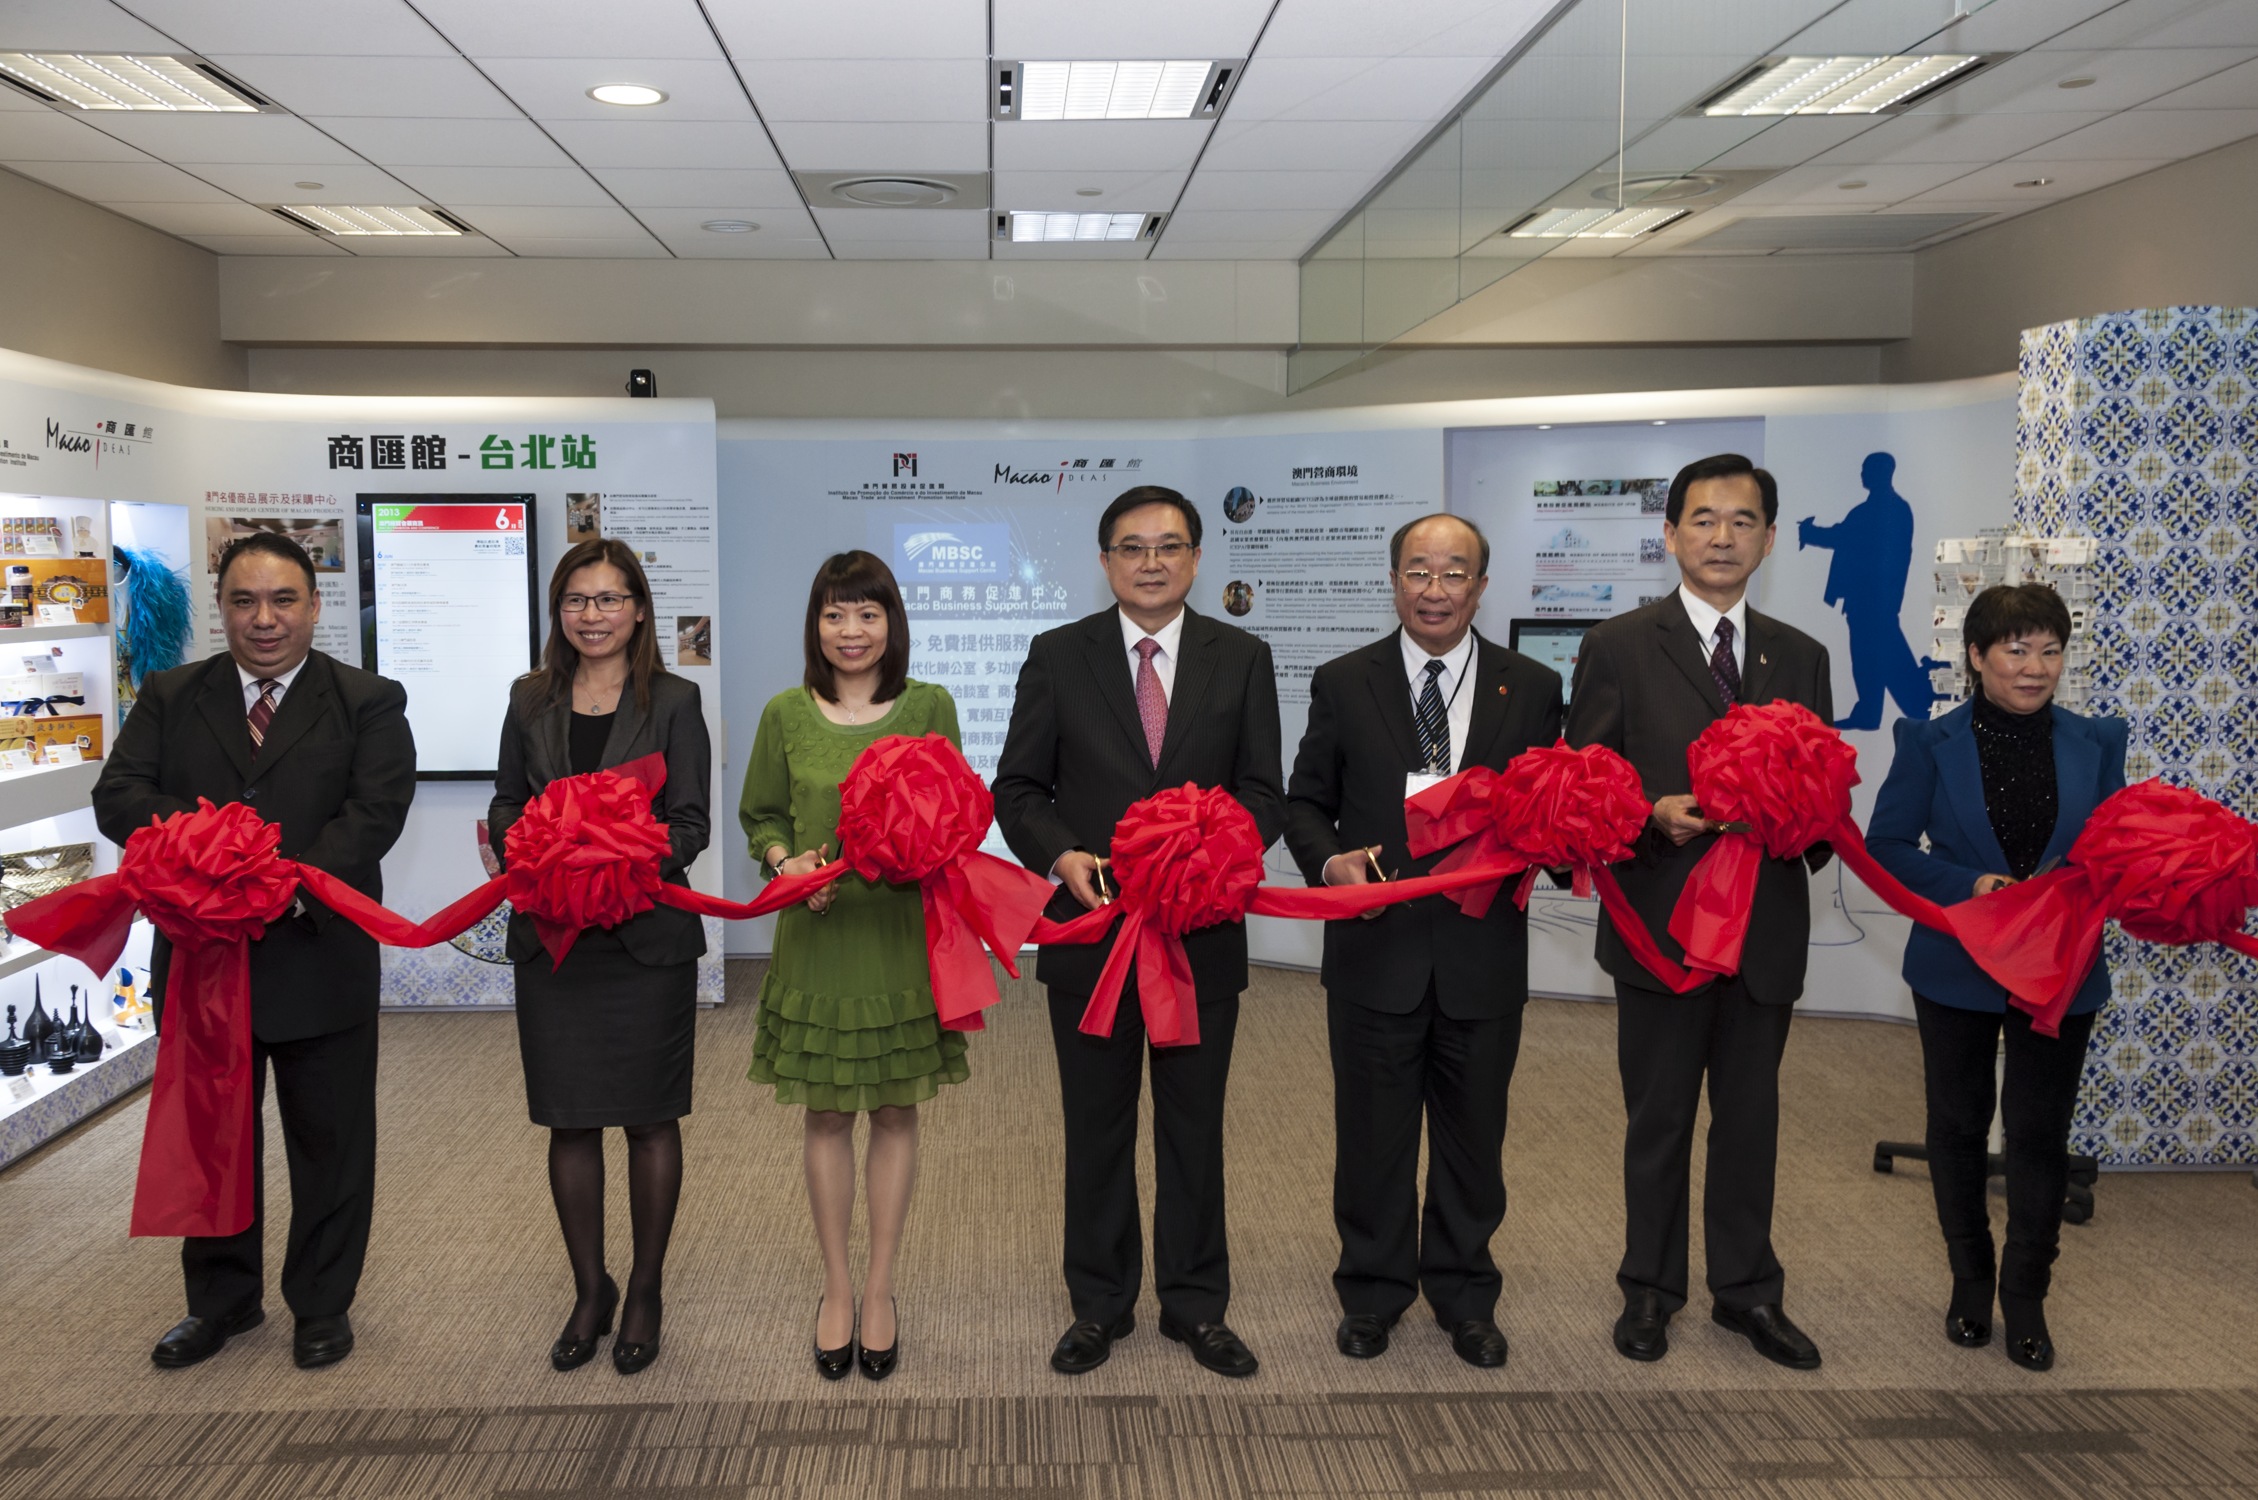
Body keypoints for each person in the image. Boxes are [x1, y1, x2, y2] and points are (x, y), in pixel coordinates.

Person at [94, 531, 415, 1371]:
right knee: (212, 1137)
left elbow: (374, 814)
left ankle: (321, 1304)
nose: (263, 619)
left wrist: (273, 881)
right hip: (204, 961)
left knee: (330, 1141)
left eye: (282, 601)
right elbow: (118, 796)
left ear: (314, 606)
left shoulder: (368, 699)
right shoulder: (171, 694)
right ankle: (220, 1302)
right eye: (244, 601)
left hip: (318, 953)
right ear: (222, 609)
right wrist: (207, 850)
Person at [994, 484, 1285, 1381]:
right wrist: (1062, 857)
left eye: (1168, 546)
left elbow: (1264, 792)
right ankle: (1099, 1305)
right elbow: (1018, 789)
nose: (1150, 562)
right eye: (1132, 547)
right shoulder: (1058, 654)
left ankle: (1197, 1306)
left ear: (1196, 558)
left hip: (1200, 936)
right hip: (1094, 935)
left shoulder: (1242, 656)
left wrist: (1210, 859)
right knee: (1097, 1127)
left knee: (1195, 1128)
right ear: (1105, 560)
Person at [1565, 453, 1834, 1372]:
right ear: (1671, 534)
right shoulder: (1617, 645)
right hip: (1661, 924)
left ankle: (1748, 1292)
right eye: (1705, 520)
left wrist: (1798, 824)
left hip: (1765, 928)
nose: (1724, 537)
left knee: (1751, 1120)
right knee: (1661, 1119)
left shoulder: (1800, 654)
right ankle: (1649, 1288)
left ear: (1770, 538)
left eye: (1744, 521)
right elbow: (1586, 785)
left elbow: (1823, 796)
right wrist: (1649, 814)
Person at [1284, 514, 1562, 1368]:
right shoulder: (1345, 680)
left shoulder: (1533, 686)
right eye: (1418, 571)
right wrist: (1329, 864)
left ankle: (1466, 1296)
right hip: (1377, 952)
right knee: (1372, 1140)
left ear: (1481, 586)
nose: (1434, 590)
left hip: (1484, 955)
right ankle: (1372, 1293)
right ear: (1394, 580)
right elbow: (1305, 802)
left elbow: (1552, 807)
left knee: (1475, 1141)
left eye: (1453, 573)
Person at [1866, 583, 2124, 1372]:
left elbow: (2115, 847)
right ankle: (1970, 1282)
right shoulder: (1927, 741)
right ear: (1975, 656)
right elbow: (1887, 846)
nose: (2034, 667)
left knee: (2040, 1133)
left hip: (2059, 964)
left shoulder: (2098, 740)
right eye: (2016, 650)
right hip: (1960, 961)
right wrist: (1970, 885)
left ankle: (2026, 1295)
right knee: (1958, 1124)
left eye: (2050, 650)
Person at [489, 539, 710, 1377]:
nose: (593, 615)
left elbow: (690, 824)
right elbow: (507, 804)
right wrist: (538, 848)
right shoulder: (529, 697)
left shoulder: (676, 700)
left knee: (650, 1119)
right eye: (577, 600)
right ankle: (592, 1289)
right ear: (558, 612)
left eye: (610, 599)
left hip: (643, 941)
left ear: (640, 610)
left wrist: (612, 858)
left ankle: (645, 1289)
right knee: (570, 1119)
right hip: (554, 941)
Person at [741, 550, 962, 1382]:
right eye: (834, 614)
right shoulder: (784, 713)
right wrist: (785, 862)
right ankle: (836, 1286)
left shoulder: (930, 707)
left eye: (867, 613)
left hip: (899, 934)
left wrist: (901, 854)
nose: (851, 630)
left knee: (897, 1113)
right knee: (828, 1115)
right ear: (816, 625)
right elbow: (762, 816)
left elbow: (952, 818)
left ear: (891, 622)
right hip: (819, 937)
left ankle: (879, 1288)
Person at [1797, 452, 1942, 729]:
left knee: (1883, 658)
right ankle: (1874, 711)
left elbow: (1841, 536)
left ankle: (1915, 707)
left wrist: (1809, 532)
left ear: (1882, 472)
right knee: (1871, 657)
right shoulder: (1883, 509)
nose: (1862, 474)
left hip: (1873, 601)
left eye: (1867, 469)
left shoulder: (1882, 510)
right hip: (1870, 600)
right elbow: (1844, 536)